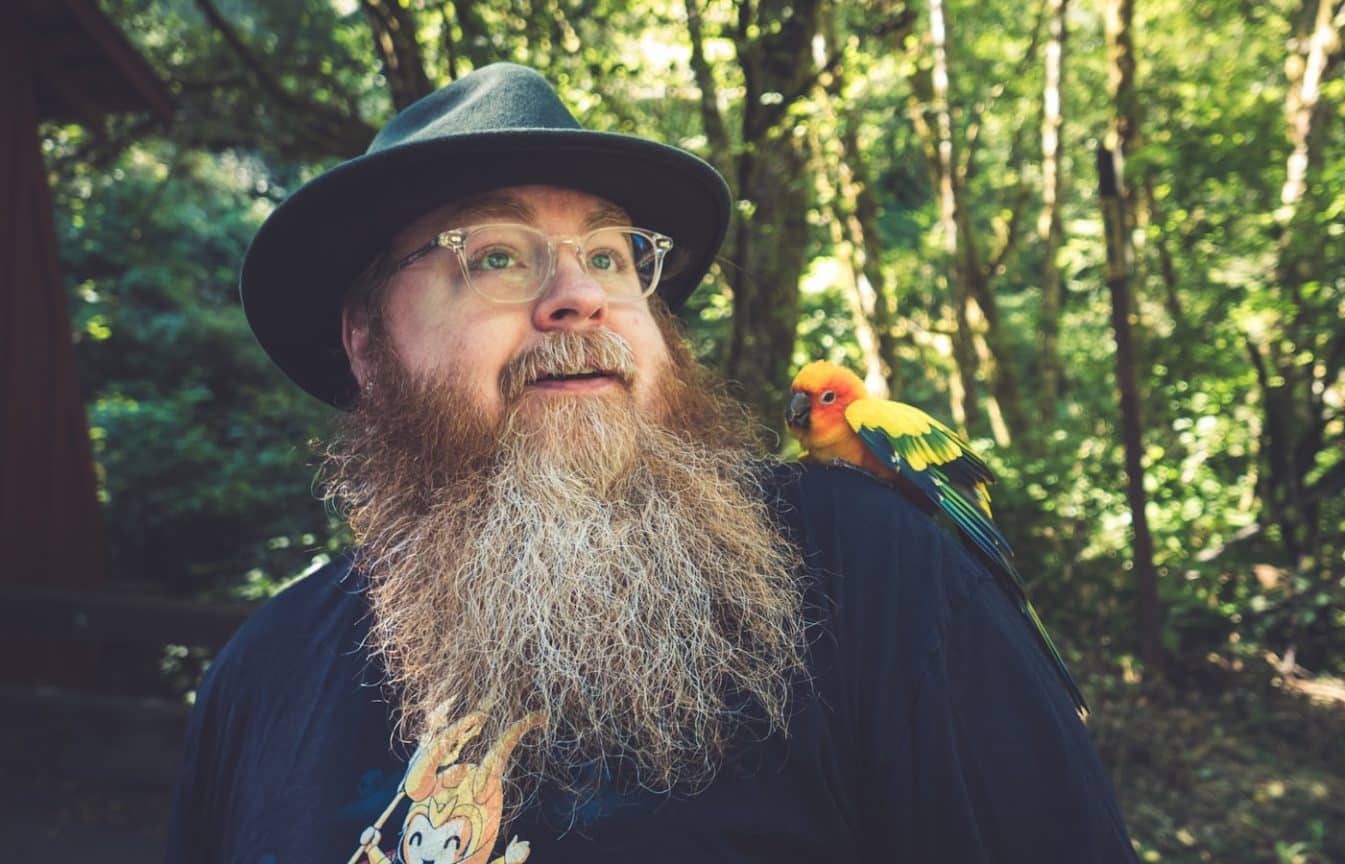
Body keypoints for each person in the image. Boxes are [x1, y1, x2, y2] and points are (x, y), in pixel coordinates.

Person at [164, 63, 1140, 864]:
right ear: (366, 342)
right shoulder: (260, 676)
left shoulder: (875, 576)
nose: (578, 294)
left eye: (615, 254)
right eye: (497, 256)